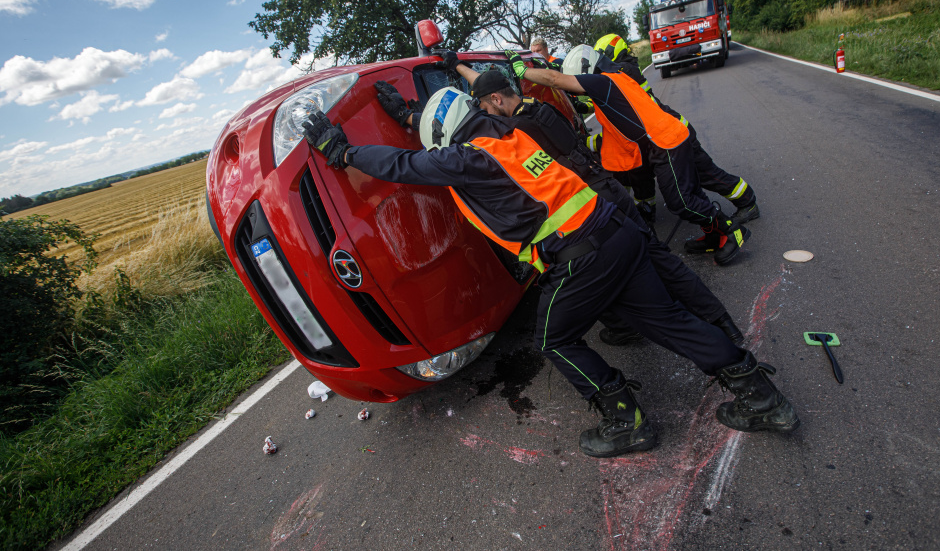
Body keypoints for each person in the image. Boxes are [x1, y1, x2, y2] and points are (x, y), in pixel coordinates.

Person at [300, 84, 800, 458]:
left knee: (554, 339)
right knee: (667, 321)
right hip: (615, 233)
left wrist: (342, 152)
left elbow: (407, 167)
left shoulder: (470, 158)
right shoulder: (503, 133)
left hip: (583, 256)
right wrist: (412, 114)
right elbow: (444, 140)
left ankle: (626, 420)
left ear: (445, 139)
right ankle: (762, 396)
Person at [428, 54, 746, 346]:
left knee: (597, 270)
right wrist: (458, 65)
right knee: (660, 259)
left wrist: (416, 121)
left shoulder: (515, 130)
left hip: (595, 203)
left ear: (495, 101)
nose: (480, 116)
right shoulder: (539, 110)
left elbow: (483, 117)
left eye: (482, 108)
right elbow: (490, 88)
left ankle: (643, 327)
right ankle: (722, 322)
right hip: (610, 189)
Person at [504, 47, 750, 266]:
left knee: (681, 202)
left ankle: (730, 231)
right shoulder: (616, 77)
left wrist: (520, 69)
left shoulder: (602, 81)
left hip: (665, 143)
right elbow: (616, 113)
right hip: (666, 140)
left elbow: (555, 80)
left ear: (586, 71)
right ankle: (713, 236)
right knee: (690, 195)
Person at [592, 34, 761, 237]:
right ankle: (709, 224)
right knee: (673, 175)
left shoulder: (623, 72)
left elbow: (605, 91)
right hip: (666, 130)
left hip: (675, 133)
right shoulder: (627, 70)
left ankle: (747, 203)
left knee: (705, 174)